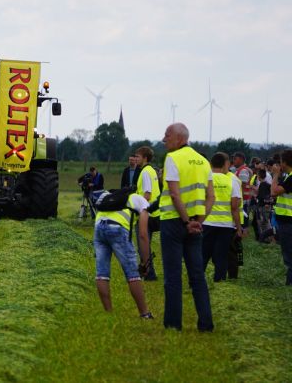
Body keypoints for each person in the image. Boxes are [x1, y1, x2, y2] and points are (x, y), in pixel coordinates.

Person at [159, 123, 215, 331]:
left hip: (175, 222)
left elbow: (174, 194)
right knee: (197, 276)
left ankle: (173, 324)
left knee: (173, 276)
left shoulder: (173, 159)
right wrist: (198, 222)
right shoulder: (203, 161)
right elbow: (211, 196)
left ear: (179, 138)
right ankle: (206, 322)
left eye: (167, 135)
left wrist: (185, 222)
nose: (164, 139)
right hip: (196, 224)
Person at [92, 190, 153, 319]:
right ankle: (145, 314)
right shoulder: (143, 202)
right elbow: (143, 235)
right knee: (132, 273)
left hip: (98, 227)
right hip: (117, 229)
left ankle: (108, 313)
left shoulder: (110, 196)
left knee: (101, 272)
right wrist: (145, 262)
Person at [202, 152, 244, 282]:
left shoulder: (205, 179)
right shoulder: (232, 181)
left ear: (210, 163)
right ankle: (219, 280)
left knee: (203, 253)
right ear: (226, 164)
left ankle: (196, 280)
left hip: (207, 222)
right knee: (221, 255)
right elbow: (234, 207)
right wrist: (238, 227)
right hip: (225, 225)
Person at [135, 146, 160, 280]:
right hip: (155, 213)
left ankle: (149, 274)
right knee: (145, 245)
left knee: (143, 246)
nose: (135, 158)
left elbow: (147, 194)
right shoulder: (152, 170)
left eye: (138, 156)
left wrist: (137, 207)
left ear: (145, 158)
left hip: (146, 213)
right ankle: (148, 272)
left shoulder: (144, 172)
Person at [270, 149, 292, 285]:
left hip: (289, 222)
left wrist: (276, 175)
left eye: (281, 162)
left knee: (289, 254)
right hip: (287, 221)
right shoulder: (289, 177)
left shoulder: (291, 178)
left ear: (285, 162)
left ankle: (290, 283)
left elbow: (274, 192)